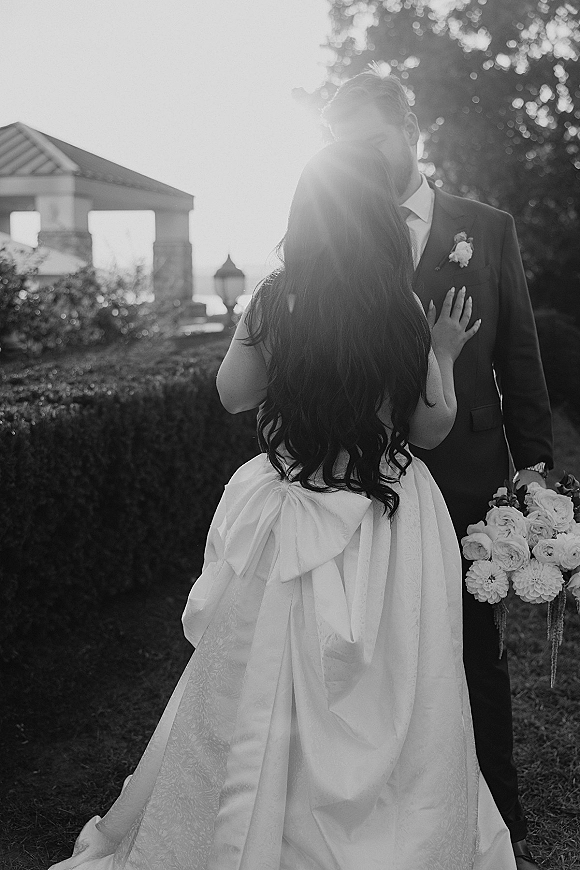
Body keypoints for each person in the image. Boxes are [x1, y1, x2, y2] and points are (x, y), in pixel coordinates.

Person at [48, 142, 516, 870]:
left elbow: (235, 392)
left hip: (295, 498)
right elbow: (429, 428)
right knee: (393, 687)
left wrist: (257, 318)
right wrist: (446, 355)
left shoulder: (276, 296)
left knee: (258, 685)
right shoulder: (400, 306)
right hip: (387, 520)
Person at [323, 69, 553, 870]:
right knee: (380, 649)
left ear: (410, 130)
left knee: (471, 649)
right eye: (346, 145)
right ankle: (390, 810)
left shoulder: (484, 227)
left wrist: (537, 466)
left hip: (467, 473)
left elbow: (519, 355)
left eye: (372, 139)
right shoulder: (340, 229)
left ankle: (498, 808)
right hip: (370, 479)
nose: (361, 157)